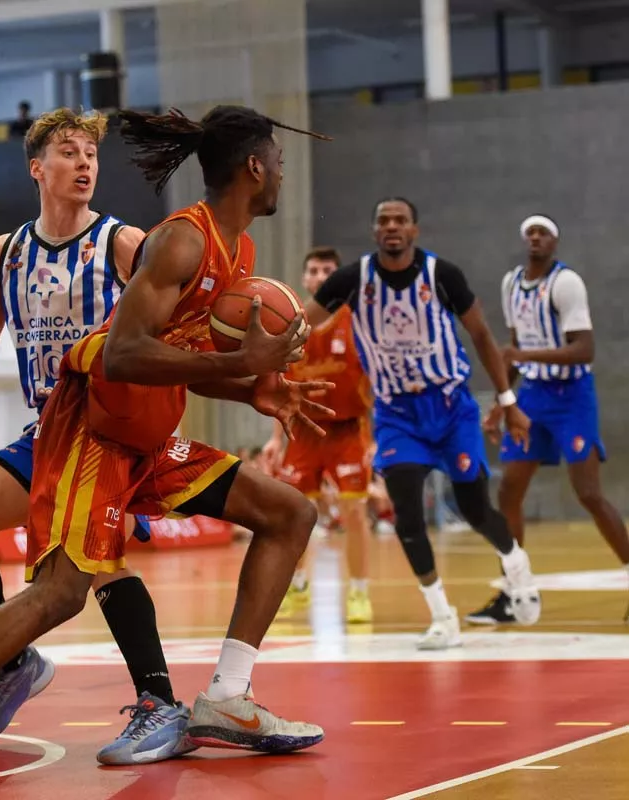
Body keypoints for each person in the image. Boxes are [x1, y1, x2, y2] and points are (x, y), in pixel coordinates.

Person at [0, 105, 334, 792]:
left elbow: (181, 354)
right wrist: (233, 368)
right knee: (57, 592)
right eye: (278, 161)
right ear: (254, 167)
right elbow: (127, 352)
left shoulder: (237, 252)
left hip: (143, 433)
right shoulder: (178, 242)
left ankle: (224, 697)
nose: (282, 171)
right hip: (90, 430)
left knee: (288, 514)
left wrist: (249, 390)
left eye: (90, 154)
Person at [0, 107, 191, 765]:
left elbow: (173, 331)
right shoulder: (4, 253)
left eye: (91, 155)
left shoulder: (122, 243)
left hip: (111, 429)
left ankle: (158, 700)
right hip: (45, 430)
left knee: (96, 565)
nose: (84, 164)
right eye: (69, 153)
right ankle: (11, 663)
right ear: (37, 168)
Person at [303, 198, 542, 649]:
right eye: (384, 221)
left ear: (414, 230)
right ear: (375, 231)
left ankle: (515, 563)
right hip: (396, 414)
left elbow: (482, 336)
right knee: (408, 513)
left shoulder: (442, 275)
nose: (392, 227)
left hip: (450, 408)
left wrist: (508, 401)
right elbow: (301, 325)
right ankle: (441, 616)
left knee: (474, 508)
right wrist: (260, 341)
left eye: (401, 221)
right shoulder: (352, 280)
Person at [474, 215, 629, 623]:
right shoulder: (512, 284)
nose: (537, 238)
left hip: (573, 395)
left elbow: (584, 349)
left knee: (589, 493)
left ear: (555, 241)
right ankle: (514, 591)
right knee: (509, 491)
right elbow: (515, 352)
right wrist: (499, 406)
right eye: (531, 232)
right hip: (534, 397)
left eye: (544, 233)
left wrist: (522, 355)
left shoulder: (566, 283)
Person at [264, 247, 375, 623]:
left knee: (355, 512)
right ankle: (297, 585)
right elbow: (277, 385)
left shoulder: (357, 320)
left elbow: (375, 380)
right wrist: (275, 439)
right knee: (295, 515)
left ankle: (359, 592)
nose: (321, 275)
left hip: (347, 429)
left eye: (328, 269)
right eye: (314, 269)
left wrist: (377, 438)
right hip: (303, 430)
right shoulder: (292, 324)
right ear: (305, 278)